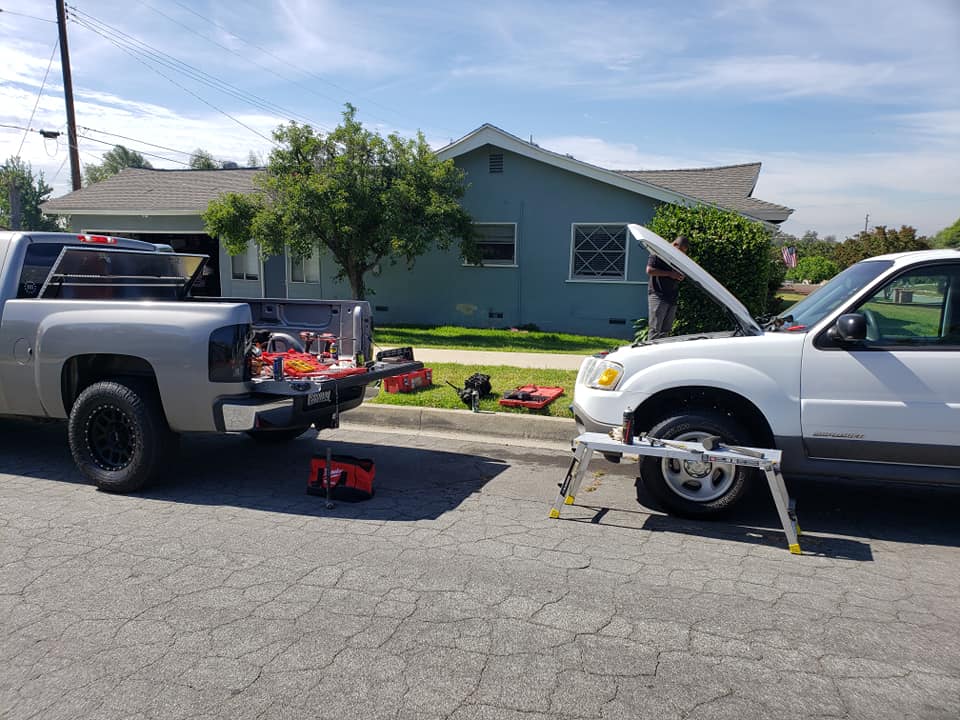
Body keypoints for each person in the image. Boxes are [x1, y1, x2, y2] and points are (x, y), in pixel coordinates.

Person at [645, 235, 689, 340]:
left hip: (672, 296)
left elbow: (676, 273)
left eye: (683, 252)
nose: (681, 254)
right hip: (658, 294)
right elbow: (649, 270)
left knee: (666, 330)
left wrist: (679, 275)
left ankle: (662, 353)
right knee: (655, 328)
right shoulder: (657, 252)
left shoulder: (676, 257)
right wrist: (670, 274)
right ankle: (651, 353)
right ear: (674, 244)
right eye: (680, 250)